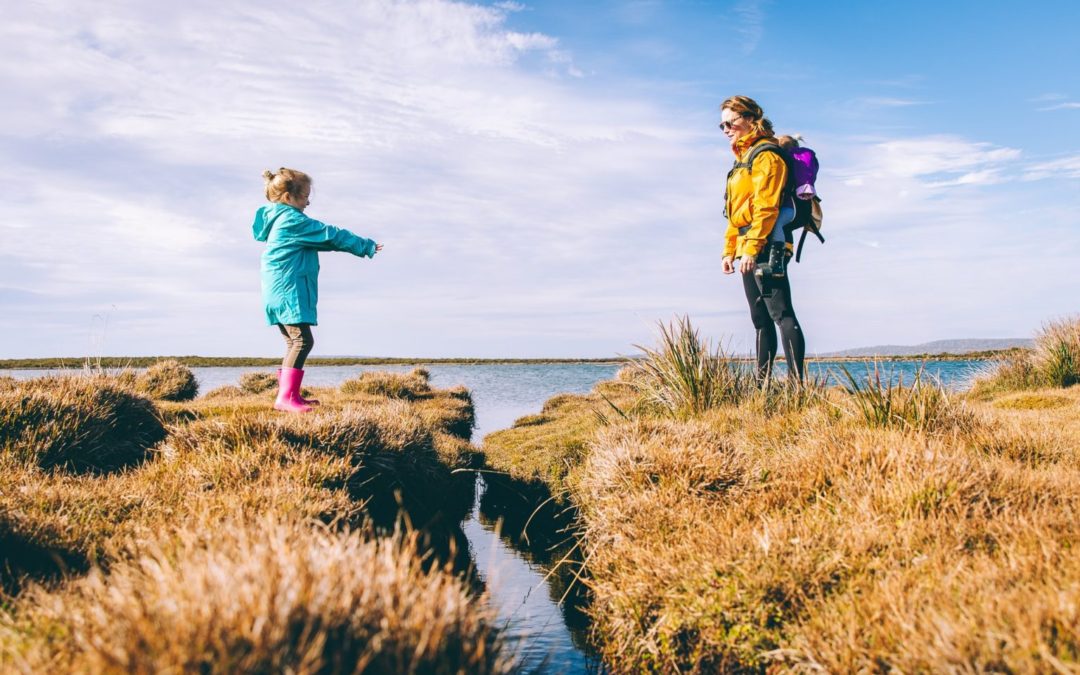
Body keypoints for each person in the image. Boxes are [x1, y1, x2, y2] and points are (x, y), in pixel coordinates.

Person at [253, 168, 383, 412]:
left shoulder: (279, 220)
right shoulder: (293, 221)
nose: (307, 203)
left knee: (293, 342)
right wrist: (364, 245)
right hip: (288, 290)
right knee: (302, 341)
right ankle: (285, 398)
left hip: (277, 291)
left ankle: (290, 396)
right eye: (304, 197)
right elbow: (329, 235)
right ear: (289, 198)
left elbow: (324, 242)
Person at [719, 96, 806, 382]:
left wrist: (753, 249)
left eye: (730, 122)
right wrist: (729, 251)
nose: (726, 129)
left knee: (781, 313)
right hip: (747, 246)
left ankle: (797, 388)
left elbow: (766, 208)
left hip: (768, 243)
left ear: (750, 118)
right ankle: (761, 387)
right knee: (760, 320)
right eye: (721, 125)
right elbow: (735, 213)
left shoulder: (766, 155)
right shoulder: (741, 159)